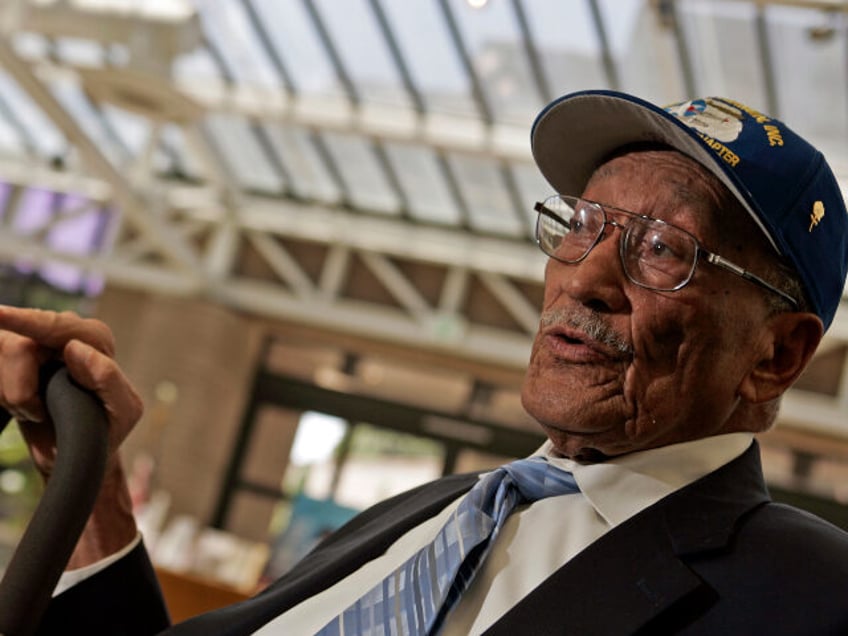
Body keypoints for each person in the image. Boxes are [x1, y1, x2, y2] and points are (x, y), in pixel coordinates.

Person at [1, 89, 848, 635]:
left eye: (664, 249)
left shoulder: (808, 594)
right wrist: (91, 482)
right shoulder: (435, 512)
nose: (585, 277)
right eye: (582, 222)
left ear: (777, 355)